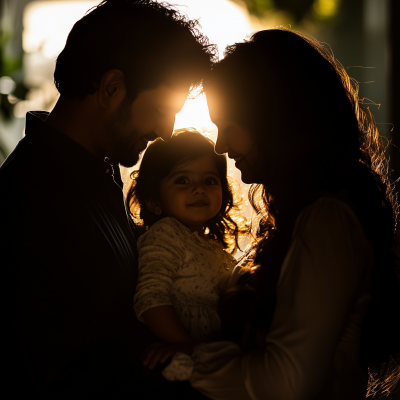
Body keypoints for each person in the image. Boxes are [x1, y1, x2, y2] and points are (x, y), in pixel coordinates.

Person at [161, 28, 400, 399]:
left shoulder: (328, 221)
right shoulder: (301, 214)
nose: (221, 145)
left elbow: (286, 382)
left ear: (271, 120)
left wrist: (184, 359)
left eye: (228, 127)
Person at [0, 0, 216, 398]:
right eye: (159, 110)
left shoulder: (98, 171)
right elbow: (67, 373)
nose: (167, 131)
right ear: (111, 88)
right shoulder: (28, 203)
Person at [126, 130, 246, 369]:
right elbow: (151, 296)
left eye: (210, 181)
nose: (199, 189)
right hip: (187, 360)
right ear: (154, 201)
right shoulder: (166, 233)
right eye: (182, 180)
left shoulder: (210, 246)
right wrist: (186, 344)